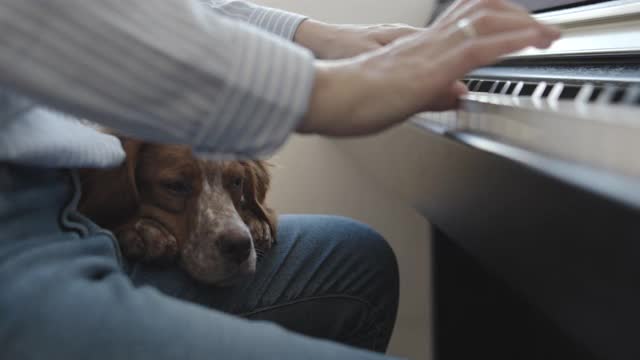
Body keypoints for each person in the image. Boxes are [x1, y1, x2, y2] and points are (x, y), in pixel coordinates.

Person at [0, 0, 560, 358]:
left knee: (356, 254)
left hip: (59, 217)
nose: (236, 228)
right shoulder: (120, 165)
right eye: (176, 188)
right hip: (16, 255)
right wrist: (325, 90)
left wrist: (314, 36)